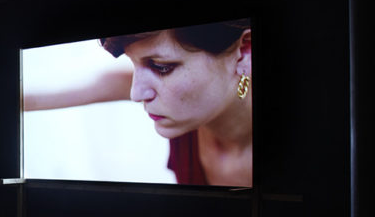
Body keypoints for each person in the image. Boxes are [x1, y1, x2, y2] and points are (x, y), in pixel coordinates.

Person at [25, 22, 252, 186]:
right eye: (133, 64)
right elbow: (27, 93)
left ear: (244, 52)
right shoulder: (190, 109)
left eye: (162, 67)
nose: (136, 93)